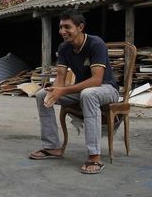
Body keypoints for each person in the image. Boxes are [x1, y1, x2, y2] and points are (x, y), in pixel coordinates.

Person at [27, 10, 119, 175]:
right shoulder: (64, 48)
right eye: (61, 27)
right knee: (42, 95)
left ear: (80, 27)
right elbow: (61, 78)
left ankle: (94, 156)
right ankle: (52, 147)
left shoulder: (95, 43)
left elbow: (96, 80)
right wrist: (54, 90)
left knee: (88, 94)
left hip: (107, 88)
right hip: (83, 89)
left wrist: (63, 91)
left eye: (67, 27)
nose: (62, 31)